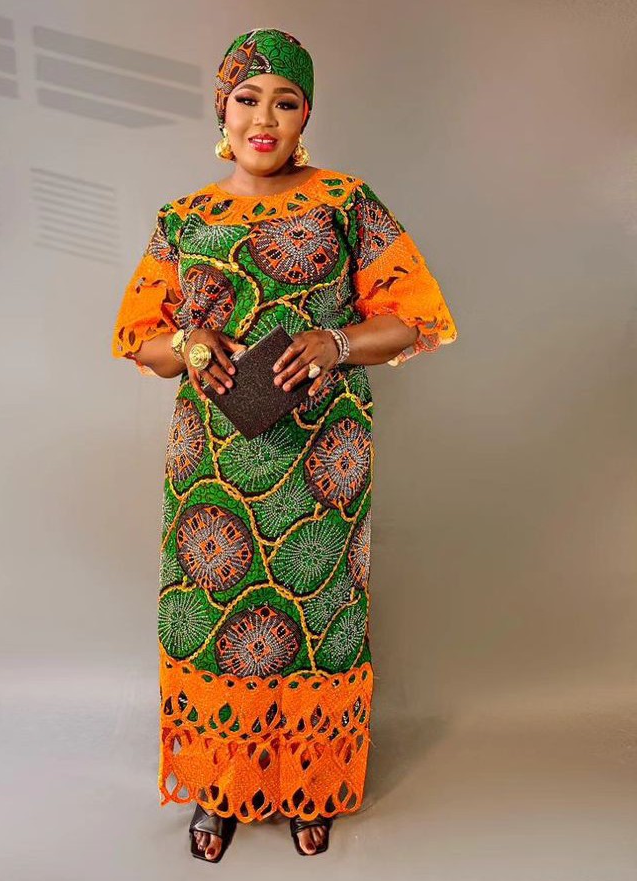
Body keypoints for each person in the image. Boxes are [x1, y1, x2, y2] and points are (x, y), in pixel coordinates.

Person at [111, 27, 458, 862]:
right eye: (247, 98)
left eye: (285, 101)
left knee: (317, 618)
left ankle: (311, 781)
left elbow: (416, 316)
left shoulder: (346, 202)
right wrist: (190, 343)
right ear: (221, 108)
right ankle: (220, 788)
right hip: (214, 466)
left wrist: (336, 342)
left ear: (307, 116)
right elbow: (139, 338)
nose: (263, 119)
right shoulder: (183, 219)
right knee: (212, 618)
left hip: (322, 460)